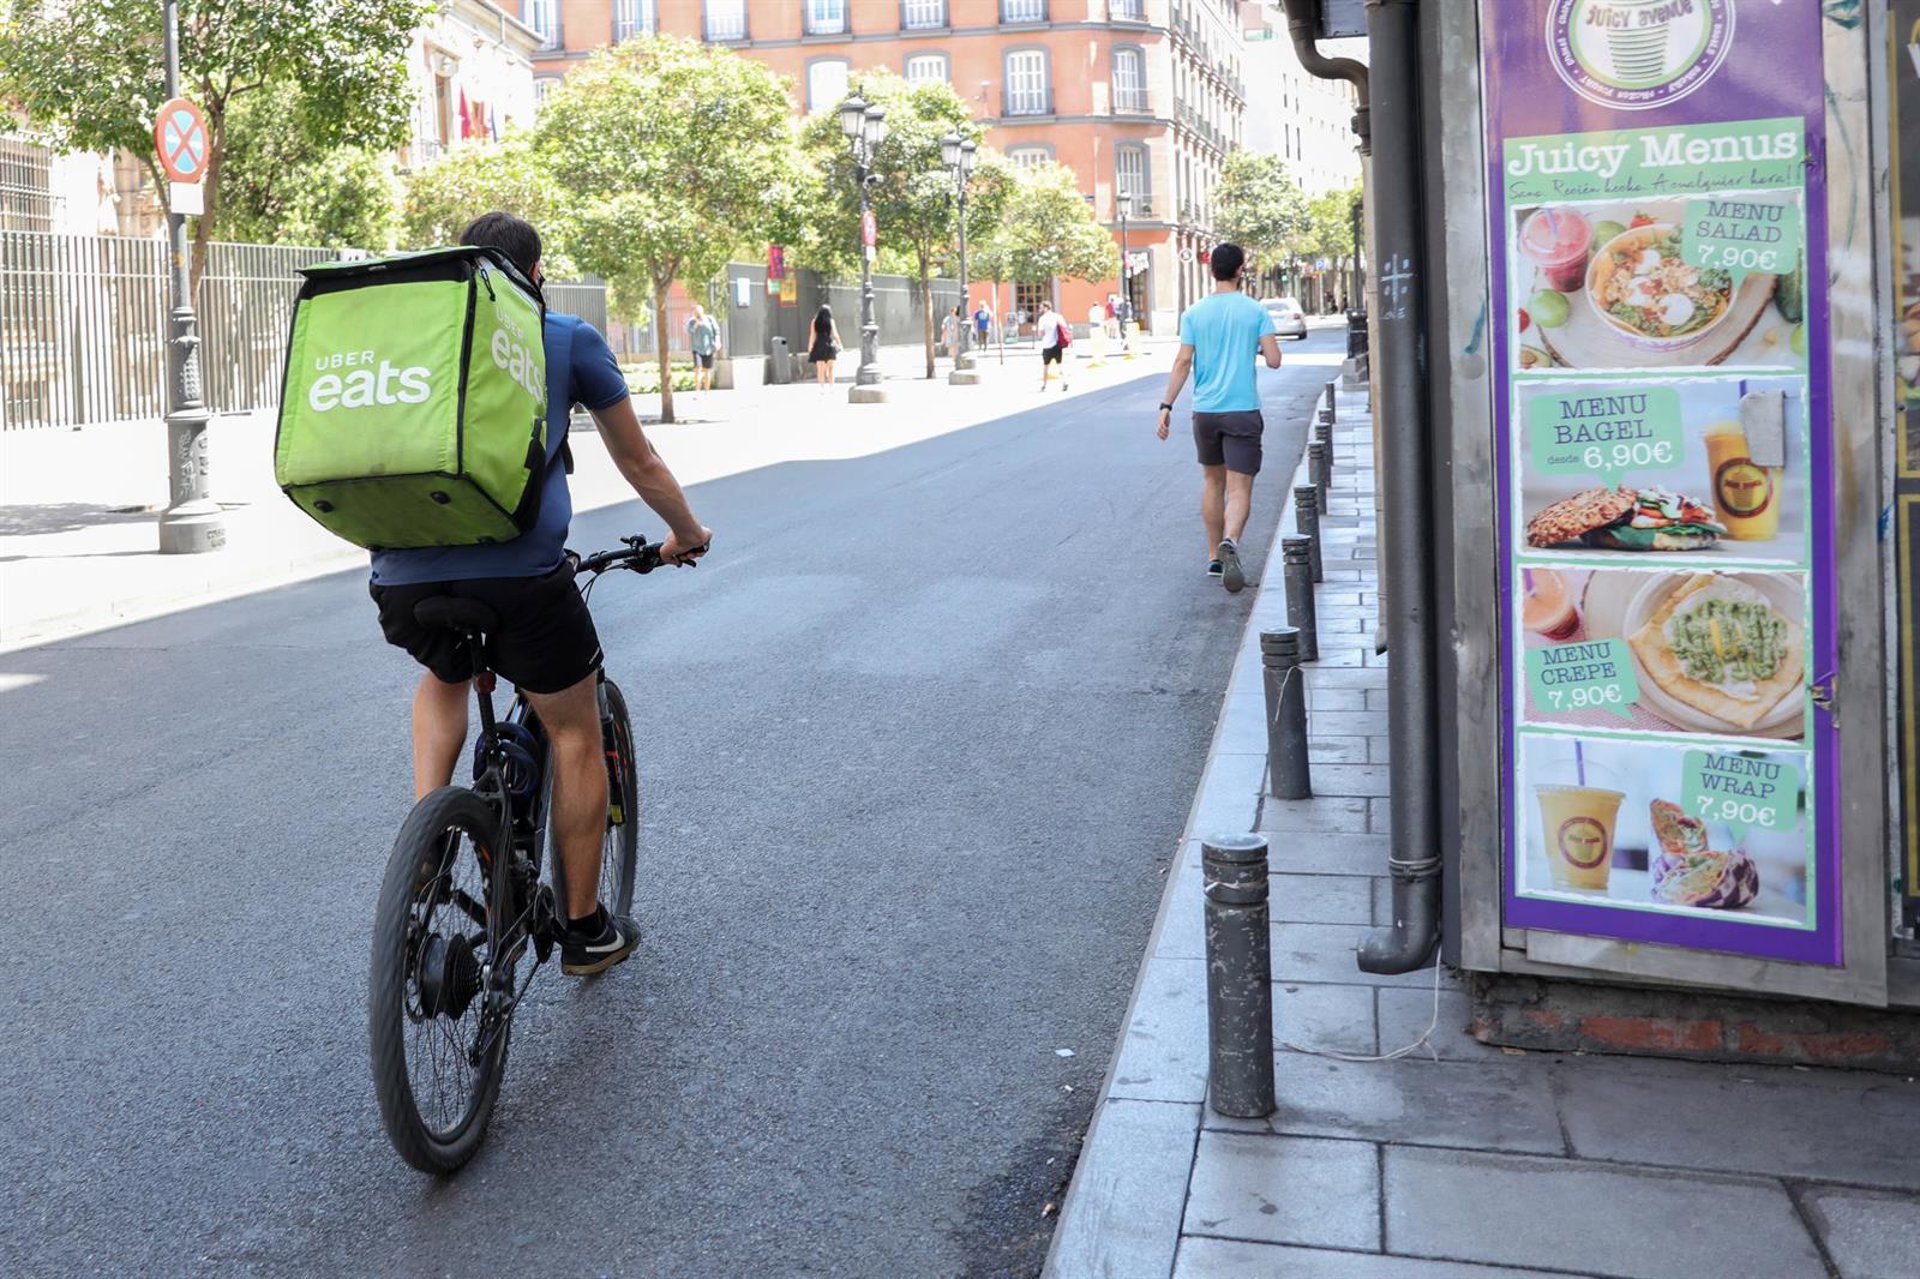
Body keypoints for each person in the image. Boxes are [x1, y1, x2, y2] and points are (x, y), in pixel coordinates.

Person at [369, 211, 712, 974]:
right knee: (576, 729)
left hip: (402, 576)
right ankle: (586, 930)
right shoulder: (564, 338)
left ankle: (429, 837)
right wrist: (685, 532)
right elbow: (640, 461)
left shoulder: (418, 336)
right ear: (534, 277)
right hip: (521, 578)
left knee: (445, 673)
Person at [1155, 242, 1282, 594]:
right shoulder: (1255, 310)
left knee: (1213, 483)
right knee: (1239, 488)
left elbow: (1183, 361)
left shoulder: (1194, 313)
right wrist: (1254, 346)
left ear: (1212, 270)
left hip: (1206, 412)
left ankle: (1214, 556)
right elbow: (1274, 360)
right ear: (1240, 270)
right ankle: (1231, 541)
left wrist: (1166, 406)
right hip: (1242, 411)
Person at [1035, 299, 1070, 392]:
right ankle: (1065, 382)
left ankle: (1044, 385)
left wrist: (1043, 332)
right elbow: (1065, 327)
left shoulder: (1042, 319)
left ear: (1046, 308)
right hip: (1057, 345)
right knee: (1060, 364)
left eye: (1041, 308)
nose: (1040, 309)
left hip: (1047, 346)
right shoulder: (1057, 316)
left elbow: (1040, 334)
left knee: (1046, 366)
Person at [686, 303, 721, 393]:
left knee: (707, 371)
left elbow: (716, 331)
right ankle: (697, 391)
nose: (698, 315)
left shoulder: (709, 319)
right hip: (697, 349)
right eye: (696, 313)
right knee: (698, 369)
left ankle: (706, 392)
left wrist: (717, 341)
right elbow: (689, 331)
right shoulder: (691, 321)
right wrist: (696, 324)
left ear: (703, 312)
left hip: (709, 348)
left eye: (699, 313)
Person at [809, 304, 843, 391]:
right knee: (831, 369)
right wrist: (840, 344)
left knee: (820, 369)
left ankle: (822, 388)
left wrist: (810, 346)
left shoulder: (814, 322)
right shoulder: (831, 321)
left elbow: (812, 335)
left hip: (818, 345)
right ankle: (831, 387)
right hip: (829, 345)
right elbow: (835, 334)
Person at [1087, 299, 1108, 364]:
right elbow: (1102, 317)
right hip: (1099, 324)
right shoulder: (1100, 309)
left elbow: (1090, 317)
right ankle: (1101, 355)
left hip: (1092, 325)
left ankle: (1095, 354)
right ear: (1098, 304)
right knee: (1101, 340)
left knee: (1094, 340)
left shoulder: (1091, 310)